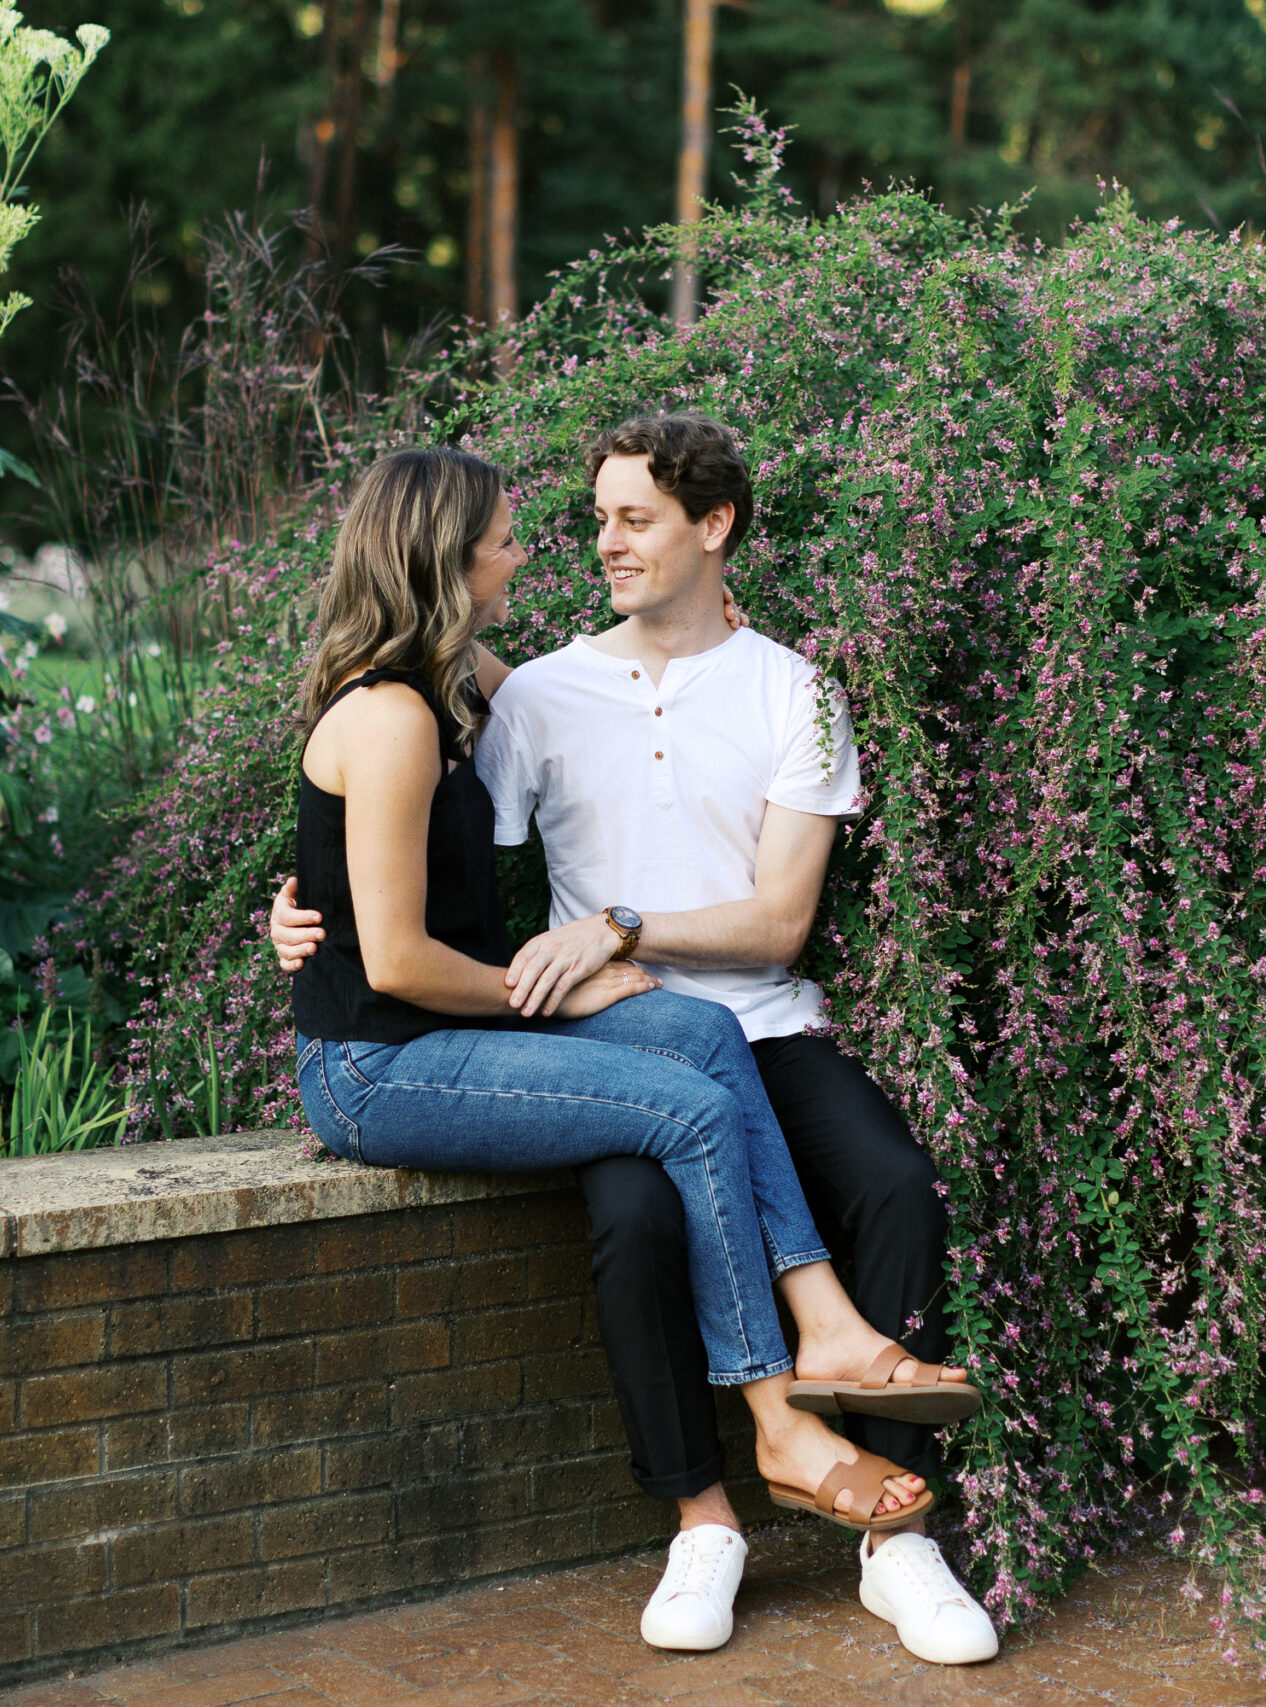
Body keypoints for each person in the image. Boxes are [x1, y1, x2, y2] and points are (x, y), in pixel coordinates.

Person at [273, 417, 1001, 1666]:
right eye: (541, 531)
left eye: (629, 519)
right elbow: (401, 880)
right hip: (536, 1034)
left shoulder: (791, 691)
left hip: (745, 1019)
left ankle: (898, 1534)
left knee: (889, 1180)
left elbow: (776, 926)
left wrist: (613, 937)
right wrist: (312, 919)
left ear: (711, 528)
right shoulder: (517, 695)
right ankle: (711, 1509)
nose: (583, 545)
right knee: (640, 1208)